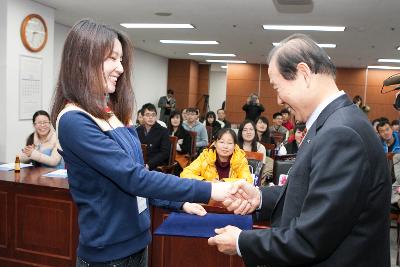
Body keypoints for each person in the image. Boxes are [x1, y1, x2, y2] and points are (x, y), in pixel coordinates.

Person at [50, 19, 235, 267]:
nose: (121, 68)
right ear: (85, 60)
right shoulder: (74, 120)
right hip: (109, 253)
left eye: (121, 60)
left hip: (138, 241)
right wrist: (210, 189)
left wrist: (179, 202)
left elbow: (138, 175)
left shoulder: (108, 112)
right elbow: (134, 178)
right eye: (112, 58)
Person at [208, 33, 391, 267]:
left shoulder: (341, 133)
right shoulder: (334, 122)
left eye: (277, 86)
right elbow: (309, 189)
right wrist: (260, 197)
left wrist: (242, 242)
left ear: (303, 74)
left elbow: (312, 238)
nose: (279, 99)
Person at [180, 128, 253, 183]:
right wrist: (205, 182)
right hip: (208, 195)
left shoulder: (240, 158)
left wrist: (223, 182)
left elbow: (247, 181)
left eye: (230, 143)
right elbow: (185, 174)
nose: (225, 146)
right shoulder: (206, 156)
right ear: (215, 143)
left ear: (234, 146)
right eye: (221, 142)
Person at [237, 120, 273, 185]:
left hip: (254, 181)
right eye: (245, 130)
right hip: (236, 179)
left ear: (255, 132)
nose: (248, 132)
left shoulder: (260, 147)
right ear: (241, 132)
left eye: (251, 129)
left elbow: (260, 169)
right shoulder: (235, 147)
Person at [136, 103, 170, 170]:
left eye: (153, 115)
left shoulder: (163, 131)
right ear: (142, 116)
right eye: (147, 115)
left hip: (155, 165)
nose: (151, 117)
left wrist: (149, 165)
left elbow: (165, 153)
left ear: (156, 117)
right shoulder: (137, 130)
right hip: (139, 163)